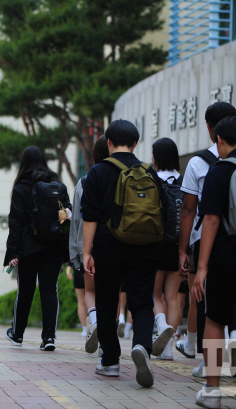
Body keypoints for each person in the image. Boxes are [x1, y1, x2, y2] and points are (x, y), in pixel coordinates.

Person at [81, 119, 165, 387]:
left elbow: (90, 216)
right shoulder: (150, 173)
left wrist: (86, 251)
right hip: (146, 248)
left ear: (108, 142)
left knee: (107, 304)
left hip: (109, 248)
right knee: (142, 303)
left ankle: (110, 362)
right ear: (135, 143)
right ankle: (141, 346)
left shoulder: (97, 172)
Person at [191, 116, 236, 408]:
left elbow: (210, 220)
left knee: (215, 319)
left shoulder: (219, 170)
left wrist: (201, 269)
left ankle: (212, 392)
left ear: (219, 140)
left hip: (224, 258)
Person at [178, 101, 236, 374]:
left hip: (206, 239)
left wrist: (183, 249)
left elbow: (189, 209)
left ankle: (208, 363)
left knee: (205, 299)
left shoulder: (198, 163)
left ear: (211, 129)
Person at [4, 146, 68, 351]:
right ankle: (48, 338)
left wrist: (13, 252)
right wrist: (66, 251)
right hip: (54, 246)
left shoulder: (21, 186)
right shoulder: (56, 184)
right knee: (49, 290)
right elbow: (66, 216)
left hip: (29, 247)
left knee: (25, 291)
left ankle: (17, 334)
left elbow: (15, 221)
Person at [70, 136, 110, 352]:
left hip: (90, 246)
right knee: (111, 295)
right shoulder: (122, 178)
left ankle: (94, 323)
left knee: (90, 291)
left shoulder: (84, 182)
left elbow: (77, 220)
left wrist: (76, 252)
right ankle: (107, 344)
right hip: (114, 245)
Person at [151, 137, 183, 360]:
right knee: (172, 298)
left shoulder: (153, 179)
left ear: (157, 157)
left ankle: (161, 326)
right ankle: (168, 348)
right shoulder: (184, 180)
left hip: (156, 244)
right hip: (179, 246)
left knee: (153, 294)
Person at [66, 262, 87, 337]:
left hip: (78, 268)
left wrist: (69, 267)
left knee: (81, 302)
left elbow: (72, 254)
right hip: (92, 269)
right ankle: (96, 324)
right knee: (95, 299)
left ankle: (85, 330)